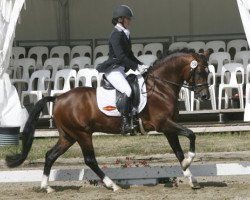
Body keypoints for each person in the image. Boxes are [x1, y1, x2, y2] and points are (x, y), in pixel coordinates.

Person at [96, 5, 149, 134]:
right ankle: (125, 123)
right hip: (113, 70)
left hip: (121, 69)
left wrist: (141, 64)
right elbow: (120, 56)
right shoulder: (116, 35)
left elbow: (129, 54)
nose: (129, 21)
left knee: (137, 85)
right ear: (120, 19)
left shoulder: (125, 33)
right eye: (128, 19)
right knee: (128, 90)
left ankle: (134, 116)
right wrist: (136, 67)